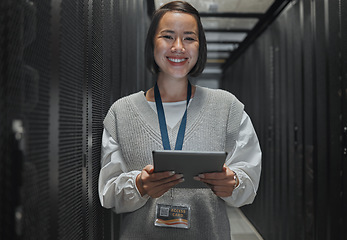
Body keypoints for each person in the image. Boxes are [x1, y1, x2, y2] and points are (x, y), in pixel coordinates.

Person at [98, 1, 261, 239]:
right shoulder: (121, 113)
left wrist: (233, 183)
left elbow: (249, 180)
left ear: (200, 46)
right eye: (167, 36)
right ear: (151, 43)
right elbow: (108, 193)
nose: (178, 47)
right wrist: (140, 186)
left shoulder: (228, 108)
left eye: (189, 38)